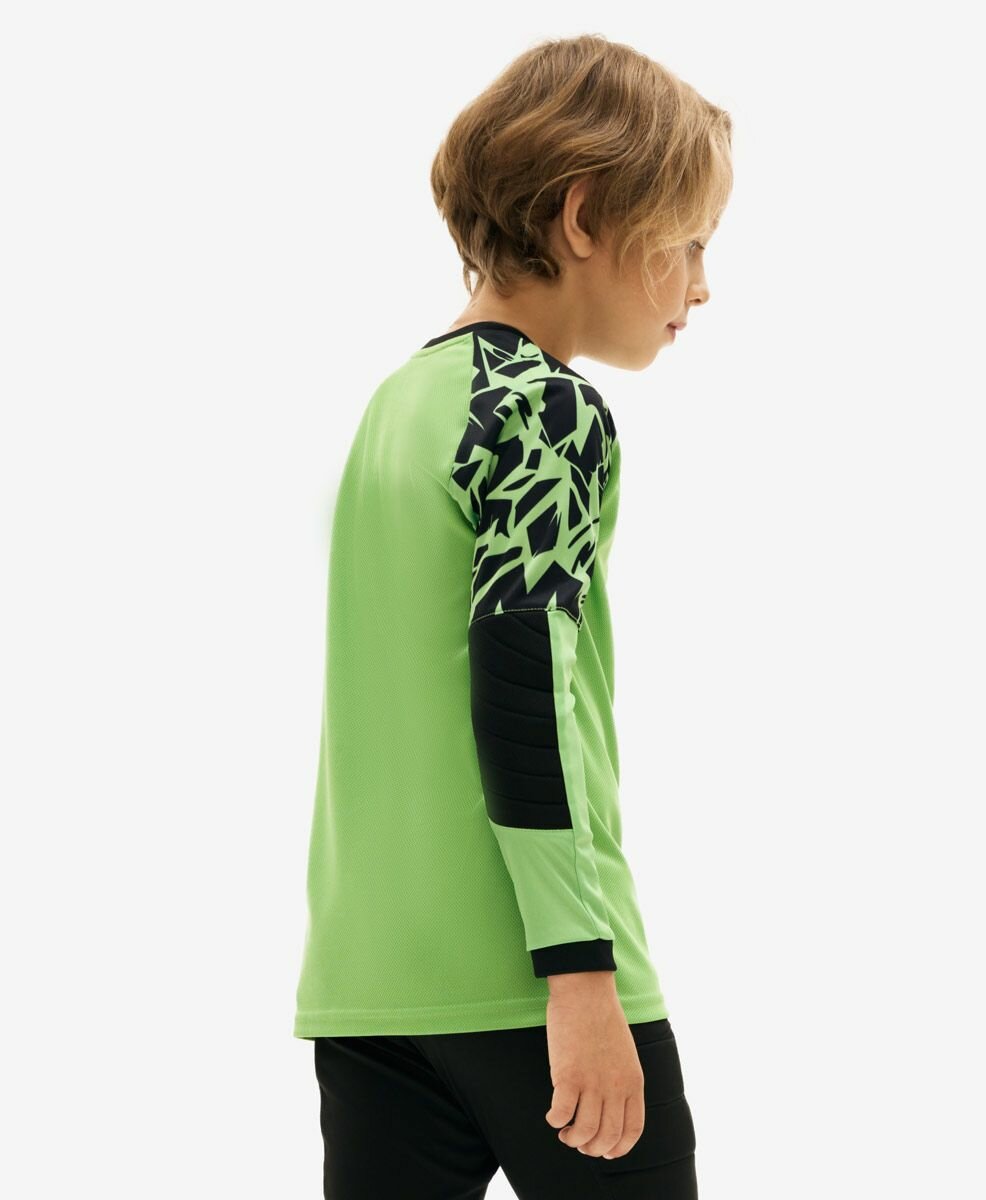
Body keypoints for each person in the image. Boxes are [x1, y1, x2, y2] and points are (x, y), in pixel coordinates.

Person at [293, 32, 733, 1199]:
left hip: (370, 988)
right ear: (585, 218)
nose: (702, 285)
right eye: (689, 241)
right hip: (531, 981)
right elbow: (522, 684)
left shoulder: (398, 403)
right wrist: (579, 973)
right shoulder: (542, 407)